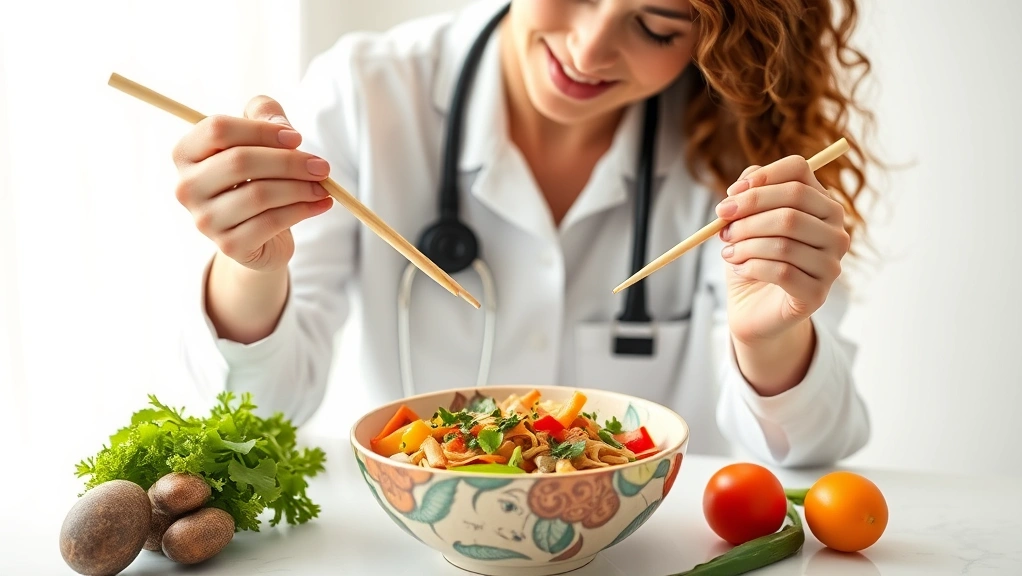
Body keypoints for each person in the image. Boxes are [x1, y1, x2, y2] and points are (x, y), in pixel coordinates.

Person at [173, 0, 876, 467]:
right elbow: (253, 420)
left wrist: (770, 338)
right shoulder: (367, 93)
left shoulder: (740, 139)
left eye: (657, 26)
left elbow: (814, 447)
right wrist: (252, 267)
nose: (588, 48)